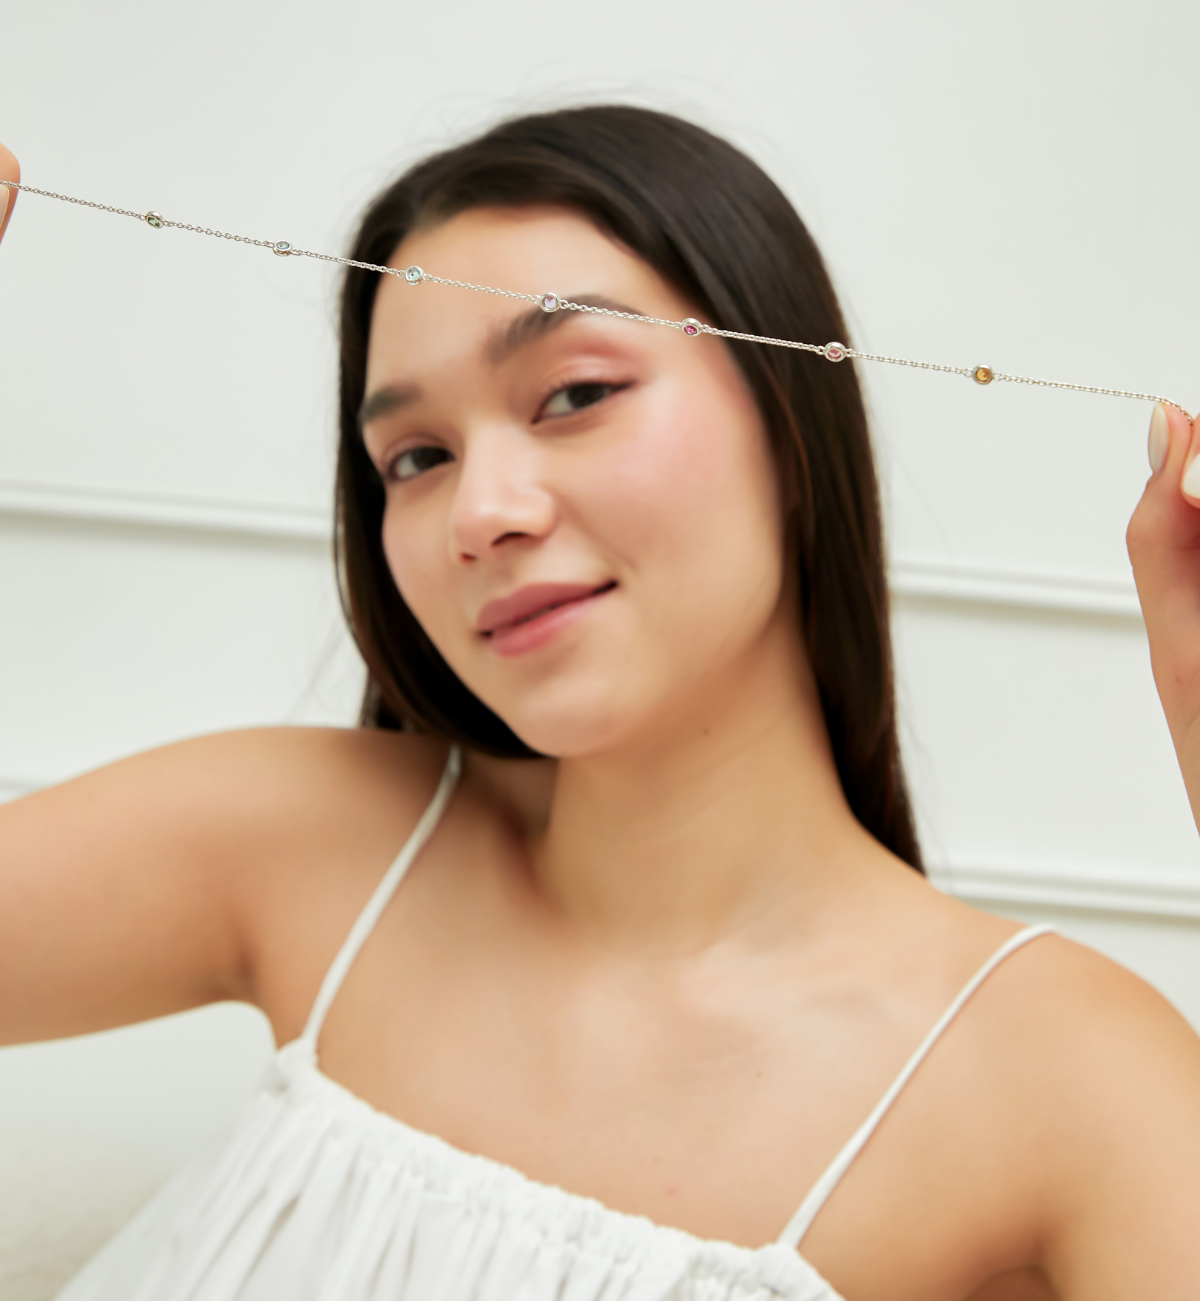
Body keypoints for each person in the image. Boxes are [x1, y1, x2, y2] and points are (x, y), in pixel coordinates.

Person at [0, 108, 1198, 1301]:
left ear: (792, 417)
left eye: (572, 394)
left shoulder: (1062, 1077)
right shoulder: (303, 843)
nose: (480, 512)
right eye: (415, 458)